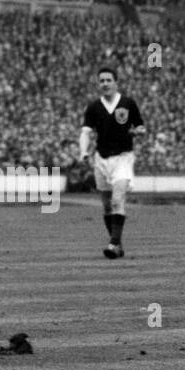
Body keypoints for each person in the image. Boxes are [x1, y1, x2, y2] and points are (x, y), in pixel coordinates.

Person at [78, 65, 146, 259]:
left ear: (116, 82)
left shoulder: (128, 103)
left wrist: (139, 131)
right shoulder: (93, 107)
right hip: (101, 158)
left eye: (109, 80)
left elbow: (140, 126)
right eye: (102, 81)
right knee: (107, 205)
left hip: (123, 157)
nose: (105, 83)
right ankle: (117, 243)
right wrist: (84, 152)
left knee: (118, 200)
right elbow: (85, 132)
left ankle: (113, 243)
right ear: (98, 84)